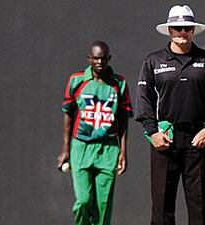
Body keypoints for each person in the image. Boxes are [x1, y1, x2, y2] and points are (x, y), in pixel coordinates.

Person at [135, 5, 205, 225]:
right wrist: (152, 132)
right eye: (177, 28)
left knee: (199, 204)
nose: (182, 32)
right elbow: (144, 99)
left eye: (187, 28)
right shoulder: (153, 61)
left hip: (197, 139)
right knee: (162, 205)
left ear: (193, 31)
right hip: (164, 138)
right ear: (170, 31)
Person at [57, 40, 133, 225]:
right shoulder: (77, 80)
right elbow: (68, 115)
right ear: (89, 58)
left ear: (109, 59)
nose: (100, 63)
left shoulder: (119, 83)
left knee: (103, 205)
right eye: (96, 59)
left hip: (108, 149)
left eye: (103, 59)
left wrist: (123, 152)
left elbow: (123, 120)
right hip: (81, 147)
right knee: (83, 201)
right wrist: (66, 149)